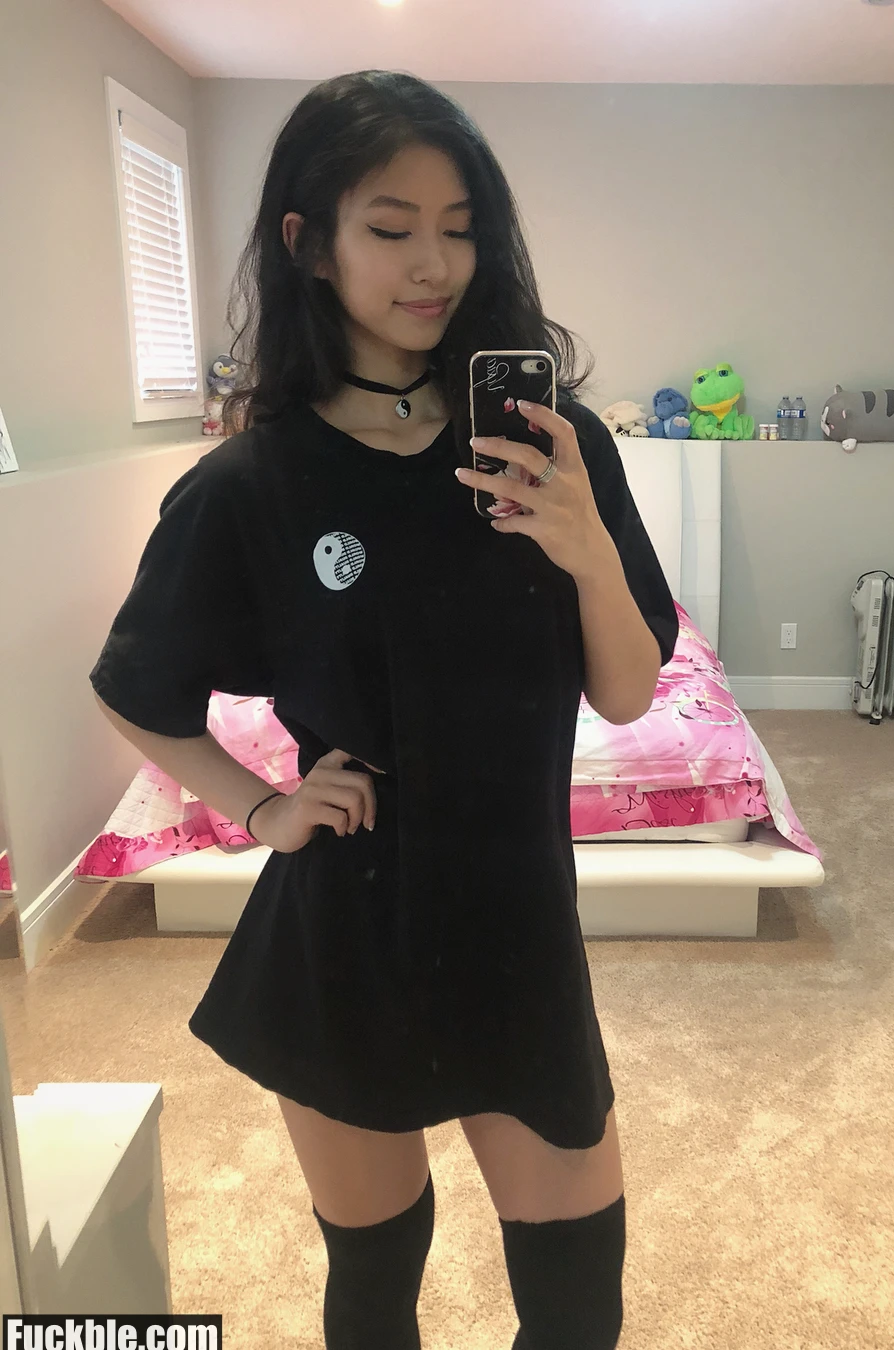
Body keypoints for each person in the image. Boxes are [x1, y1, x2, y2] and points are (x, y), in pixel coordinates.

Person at [89, 70, 678, 1350]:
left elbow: (630, 691)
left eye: (460, 227)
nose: (435, 264)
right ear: (310, 243)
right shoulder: (254, 482)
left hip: (518, 924)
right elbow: (135, 688)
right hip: (346, 935)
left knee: (579, 1306)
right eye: (393, 227)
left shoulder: (556, 440)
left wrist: (586, 548)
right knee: (373, 1294)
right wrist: (263, 808)